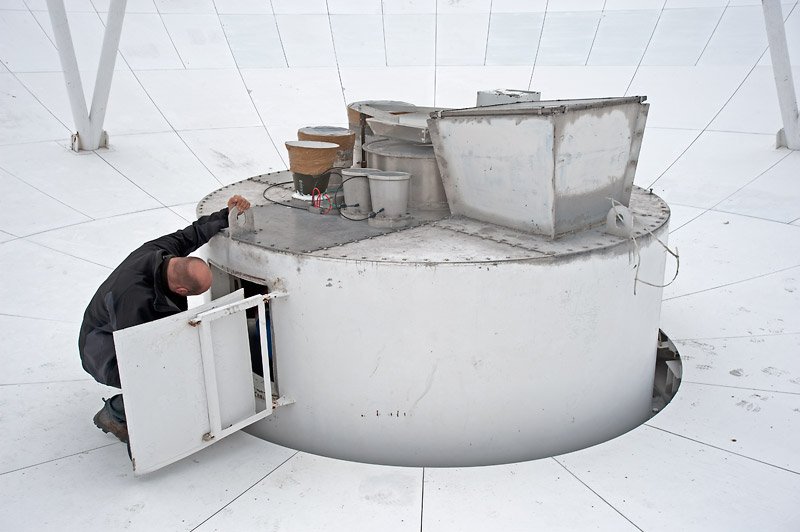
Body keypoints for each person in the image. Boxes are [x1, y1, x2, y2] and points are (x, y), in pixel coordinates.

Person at [78, 195, 251, 446]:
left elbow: (192, 234)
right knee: (161, 378)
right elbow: (140, 359)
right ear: (181, 290)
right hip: (104, 352)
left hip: (122, 334)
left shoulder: (160, 254)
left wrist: (227, 215)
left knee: (178, 367)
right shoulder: (134, 301)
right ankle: (116, 413)